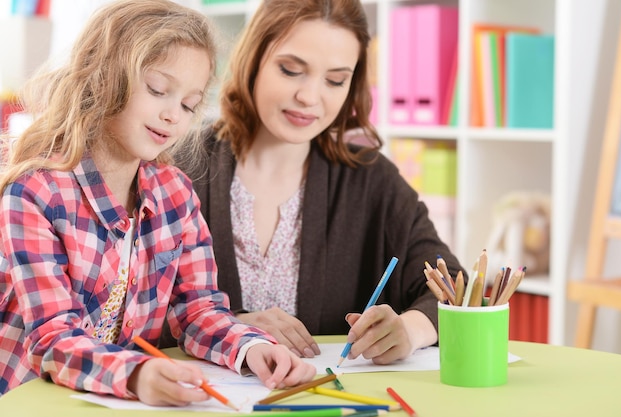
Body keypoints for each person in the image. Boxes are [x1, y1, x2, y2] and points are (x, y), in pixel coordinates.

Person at [0, 0, 315, 405]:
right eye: (157, 90)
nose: (174, 116)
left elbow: (198, 311)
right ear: (104, 77)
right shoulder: (34, 195)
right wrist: (137, 374)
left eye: (188, 104)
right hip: (31, 403)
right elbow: (52, 339)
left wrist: (252, 349)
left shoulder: (176, 194)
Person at [166, 0, 467, 365]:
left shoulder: (371, 180)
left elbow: (455, 287)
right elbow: (123, 314)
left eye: (335, 80)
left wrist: (410, 329)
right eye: (291, 70)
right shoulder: (176, 167)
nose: (309, 97)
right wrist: (227, 328)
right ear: (254, 60)